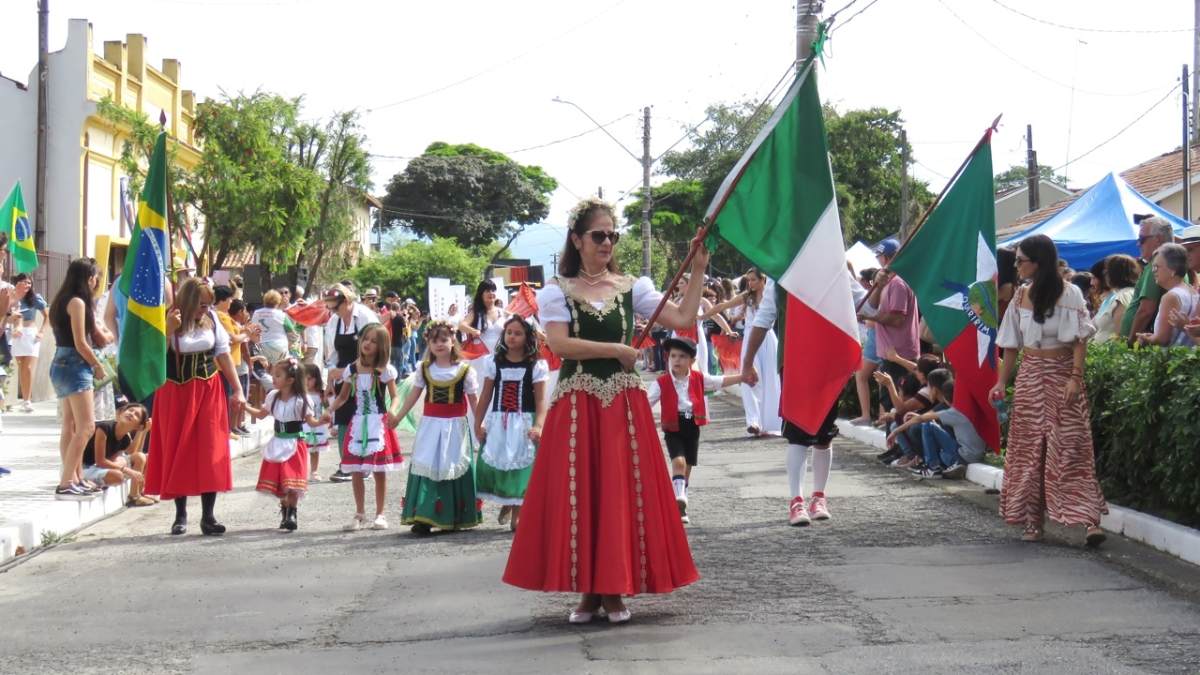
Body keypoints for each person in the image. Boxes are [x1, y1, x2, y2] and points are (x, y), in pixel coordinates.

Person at [503, 198, 703, 624]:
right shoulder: (558, 290)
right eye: (598, 235)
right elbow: (559, 345)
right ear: (577, 239)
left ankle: (613, 589)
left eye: (613, 234)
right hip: (577, 404)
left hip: (622, 406)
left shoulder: (634, 288)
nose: (607, 241)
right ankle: (588, 592)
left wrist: (699, 267)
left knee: (617, 491)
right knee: (582, 493)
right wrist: (615, 348)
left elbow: (684, 315)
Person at [991, 234, 1107, 547]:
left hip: (1061, 375)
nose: (1016, 266)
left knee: (1071, 447)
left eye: (1020, 260)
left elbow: (1079, 340)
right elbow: (1011, 346)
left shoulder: (1070, 293)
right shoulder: (1019, 297)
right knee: (1029, 451)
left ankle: (1090, 521)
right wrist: (1002, 381)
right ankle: (1032, 521)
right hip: (1030, 376)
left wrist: (1075, 377)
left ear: (1038, 262)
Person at [742, 265, 863, 527]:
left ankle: (819, 497)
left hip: (829, 364)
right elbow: (764, 320)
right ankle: (796, 500)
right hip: (795, 364)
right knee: (798, 433)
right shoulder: (782, 272)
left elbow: (864, 302)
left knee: (824, 434)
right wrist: (747, 362)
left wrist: (882, 286)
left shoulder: (834, 265)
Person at [144, 278, 246, 535]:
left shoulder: (212, 319)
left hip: (208, 389)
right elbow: (153, 357)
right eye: (201, 304)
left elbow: (222, 353)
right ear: (189, 300)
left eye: (208, 304)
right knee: (179, 449)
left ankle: (208, 517)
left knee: (210, 451)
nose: (206, 308)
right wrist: (168, 330)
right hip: (174, 391)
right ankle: (180, 516)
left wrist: (238, 389)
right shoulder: (169, 317)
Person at [391, 321, 482, 534]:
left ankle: (455, 515)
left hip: (455, 426)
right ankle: (424, 516)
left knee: (452, 465)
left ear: (453, 341)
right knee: (427, 465)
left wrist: (480, 424)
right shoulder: (424, 369)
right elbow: (413, 396)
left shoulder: (465, 371)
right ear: (428, 344)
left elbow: (474, 400)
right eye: (434, 340)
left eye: (444, 340)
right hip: (431, 425)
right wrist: (398, 417)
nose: (439, 344)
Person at [645, 336, 744, 524]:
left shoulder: (699, 378)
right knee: (679, 463)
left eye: (682, 356)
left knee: (687, 465)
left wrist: (742, 377)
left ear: (691, 361)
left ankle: (681, 503)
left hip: (693, 426)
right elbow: (645, 403)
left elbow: (719, 381)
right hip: (673, 427)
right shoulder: (661, 382)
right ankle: (680, 498)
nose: (676, 360)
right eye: (673, 356)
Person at [471, 316, 548, 533]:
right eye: (509, 332)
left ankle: (517, 515)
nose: (512, 337)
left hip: (524, 421)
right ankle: (509, 501)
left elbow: (541, 400)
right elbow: (485, 395)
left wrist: (539, 425)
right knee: (499, 464)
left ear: (528, 337)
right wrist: (478, 423)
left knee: (522, 466)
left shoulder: (536, 364)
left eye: (518, 333)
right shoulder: (494, 362)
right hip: (499, 422)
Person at [330, 323, 405, 531]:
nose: (368, 344)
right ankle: (359, 513)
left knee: (379, 470)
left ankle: (380, 514)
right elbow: (343, 396)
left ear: (382, 346)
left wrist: (393, 411)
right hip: (358, 422)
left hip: (378, 423)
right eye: (365, 339)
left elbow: (395, 396)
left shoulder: (385, 371)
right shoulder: (351, 369)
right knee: (355, 469)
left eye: (374, 341)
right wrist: (329, 411)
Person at [47, 259, 108, 500]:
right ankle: (66, 482)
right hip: (75, 364)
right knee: (87, 427)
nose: (95, 281)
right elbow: (81, 342)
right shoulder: (78, 302)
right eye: (94, 276)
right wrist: (97, 365)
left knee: (70, 426)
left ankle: (75, 477)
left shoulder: (61, 300)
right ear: (86, 277)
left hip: (60, 362)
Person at [244, 358, 326, 532]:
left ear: (290, 380)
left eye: (278, 375)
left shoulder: (301, 401)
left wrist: (322, 421)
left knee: (292, 482)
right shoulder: (273, 396)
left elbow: (311, 422)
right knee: (281, 482)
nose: (273, 379)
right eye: (273, 375)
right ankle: (285, 511)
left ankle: (292, 513)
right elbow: (260, 414)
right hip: (277, 442)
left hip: (294, 443)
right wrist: (244, 406)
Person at [707, 268, 781, 437]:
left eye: (754, 280)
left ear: (764, 280)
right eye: (748, 280)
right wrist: (703, 317)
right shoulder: (747, 297)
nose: (750, 283)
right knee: (748, 379)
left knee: (770, 380)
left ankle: (770, 422)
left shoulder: (773, 296)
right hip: (750, 340)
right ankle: (753, 422)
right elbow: (723, 305)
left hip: (768, 340)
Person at [322, 284, 379, 482]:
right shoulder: (333, 322)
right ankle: (347, 463)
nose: (332, 311)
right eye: (328, 307)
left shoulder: (365, 317)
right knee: (344, 418)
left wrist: (353, 369)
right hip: (343, 375)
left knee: (364, 418)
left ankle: (367, 463)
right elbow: (332, 353)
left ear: (346, 301)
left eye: (334, 307)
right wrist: (331, 378)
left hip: (366, 374)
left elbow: (375, 347)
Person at [872, 239, 921, 411]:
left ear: (886, 258)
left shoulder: (898, 283)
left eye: (879, 257)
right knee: (890, 406)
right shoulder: (889, 282)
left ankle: (894, 437)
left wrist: (875, 317)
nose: (878, 261)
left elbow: (897, 319)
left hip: (898, 355)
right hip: (893, 354)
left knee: (897, 407)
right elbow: (873, 304)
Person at [81, 403, 153, 506]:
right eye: (130, 410)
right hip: (83, 468)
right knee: (117, 476)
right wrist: (126, 469)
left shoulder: (125, 439)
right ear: (121, 413)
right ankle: (88, 482)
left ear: (138, 426)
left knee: (144, 457)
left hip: (97, 467)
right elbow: (100, 461)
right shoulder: (104, 428)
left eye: (136, 414)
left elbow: (135, 453)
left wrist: (143, 431)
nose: (131, 414)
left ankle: (136, 495)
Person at [1121, 215, 1177, 342]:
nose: (1138, 244)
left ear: (1158, 239)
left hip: (1143, 343)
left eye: (1141, 239)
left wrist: (1131, 341)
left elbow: (1146, 310)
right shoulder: (1174, 264)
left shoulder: (1156, 266)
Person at [215, 285, 258, 436]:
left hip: (231, 364)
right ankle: (226, 429)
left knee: (231, 398)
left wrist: (247, 332)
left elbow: (240, 333)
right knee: (226, 399)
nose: (231, 302)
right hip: (223, 366)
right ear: (223, 300)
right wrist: (246, 333)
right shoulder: (219, 316)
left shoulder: (225, 316)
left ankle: (228, 428)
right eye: (229, 299)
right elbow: (233, 339)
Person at [1135, 244, 1197, 347]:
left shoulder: (1171, 296)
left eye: (1156, 267)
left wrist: (1145, 339)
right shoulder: (1192, 291)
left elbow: (1163, 339)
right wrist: (1154, 336)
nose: (1153, 271)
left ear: (1173, 270)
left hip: (1174, 359)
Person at [7, 273, 48, 413]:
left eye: (29, 283)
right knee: (20, 366)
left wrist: (42, 331)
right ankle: (23, 400)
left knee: (28, 368)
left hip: (31, 333)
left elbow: (47, 316)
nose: (27, 285)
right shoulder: (11, 297)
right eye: (24, 282)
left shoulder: (35, 298)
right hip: (16, 333)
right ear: (18, 283)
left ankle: (27, 400)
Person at [850, 268, 882, 425]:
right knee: (880, 377)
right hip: (875, 339)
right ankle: (877, 415)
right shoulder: (873, 294)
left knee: (864, 376)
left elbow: (872, 321)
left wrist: (866, 317)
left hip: (877, 338)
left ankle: (867, 415)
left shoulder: (878, 294)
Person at [460, 279, 506, 369]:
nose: (491, 293)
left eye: (493, 291)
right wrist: (473, 331)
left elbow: (521, 319)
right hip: (480, 357)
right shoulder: (476, 313)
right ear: (481, 294)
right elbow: (461, 326)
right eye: (487, 291)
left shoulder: (503, 312)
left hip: (500, 355)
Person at [1092, 255, 1138, 344]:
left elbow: (1120, 335)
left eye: (1106, 272)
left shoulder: (1123, 296)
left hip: (1110, 355)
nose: (1105, 276)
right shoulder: (1119, 295)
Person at [301, 363, 332, 482]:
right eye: (304, 379)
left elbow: (328, 408)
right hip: (302, 427)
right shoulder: (300, 394)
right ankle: (301, 472)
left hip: (318, 426)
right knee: (301, 448)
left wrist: (330, 420)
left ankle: (314, 471)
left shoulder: (321, 394)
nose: (307, 382)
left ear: (316, 378)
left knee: (315, 450)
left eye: (309, 379)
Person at [252, 290, 292, 365]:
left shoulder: (256, 313)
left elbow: (252, 329)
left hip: (261, 346)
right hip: (279, 345)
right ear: (278, 301)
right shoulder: (281, 314)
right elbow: (292, 331)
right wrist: (290, 344)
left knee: (266, 370)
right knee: (280, 369)